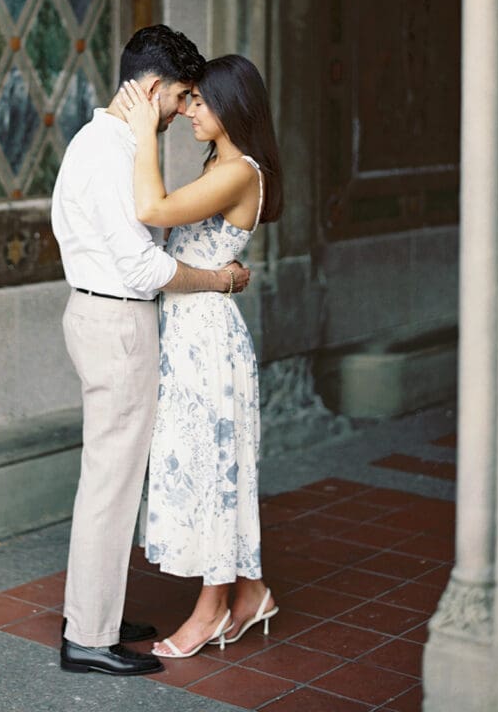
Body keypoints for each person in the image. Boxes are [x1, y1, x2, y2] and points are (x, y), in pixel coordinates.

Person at [51, 25, 252, 677]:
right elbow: (143, 270)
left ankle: (97, 612)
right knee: (110, 485)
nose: (179, 112)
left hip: (102, 317)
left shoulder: (102, 142)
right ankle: (88, 634)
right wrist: (218, 279)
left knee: (109, 479)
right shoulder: (113, 150)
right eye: (179, 98)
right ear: (153, 88)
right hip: (116, 322)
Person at [116, 53, 284, 658]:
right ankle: (251, 592)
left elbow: (153, 211)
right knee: (210, 465)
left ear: (232, 107)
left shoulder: (241, 169)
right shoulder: (222, 162)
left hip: (208, 341)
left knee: (215, 472)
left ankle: (211, 610)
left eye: (200, 101)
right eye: (188, 99)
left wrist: (140, 136)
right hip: (190, 334)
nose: (188, 109)